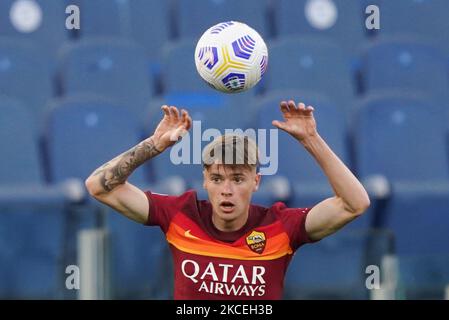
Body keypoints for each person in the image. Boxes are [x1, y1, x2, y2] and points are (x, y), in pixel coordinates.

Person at [85, 101, 370, 300]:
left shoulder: (282, 227)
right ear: (205, 181)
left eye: (238, 179)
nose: (226, 190)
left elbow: (354, 203)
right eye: (218, 179)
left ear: (255, 182)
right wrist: (155, 145)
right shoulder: (179, 214)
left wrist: (311, 139)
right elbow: (100, 186)